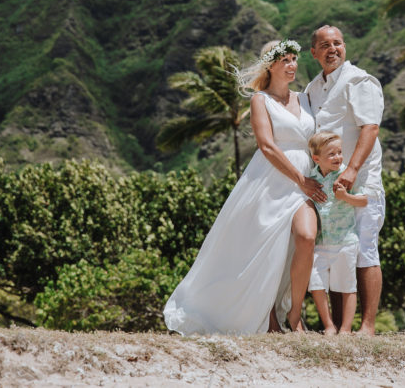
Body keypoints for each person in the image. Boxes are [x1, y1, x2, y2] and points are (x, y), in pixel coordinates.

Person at [164, 38, 326, 334]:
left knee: (306, 237)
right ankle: (268, 318)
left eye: (294, 59)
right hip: (272, 181)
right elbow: (266, 145)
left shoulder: (305, 99)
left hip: (304, 181)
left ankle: (294, 313)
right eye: (284, 60)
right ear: (271, 65)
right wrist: (301, 180)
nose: (292, 65)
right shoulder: (259, 100)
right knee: (268, 249)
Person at [304, 25, 385, 336]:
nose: (332, 49)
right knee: (335, 251)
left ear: (345, 46)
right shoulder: (313, 88)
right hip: (329, 187)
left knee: (365, 249)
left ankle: (368, 326)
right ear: (314, 53)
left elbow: (370, 129)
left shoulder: (359, 81)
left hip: (362, 182)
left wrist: (351, 170)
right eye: (325, 45)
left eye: (337, 43)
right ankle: (339, 328)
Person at [306, 131, 368, 335]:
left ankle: (346, 328)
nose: (338, 157)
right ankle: (328, 325)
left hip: (345, 241)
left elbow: (364, 200)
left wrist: (345, 196)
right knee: (316, 282)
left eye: (339, 152)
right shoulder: (311, 179)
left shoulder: (345, 175)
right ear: (316, 159)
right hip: (321, 243)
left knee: (348, 286)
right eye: (331, 154)